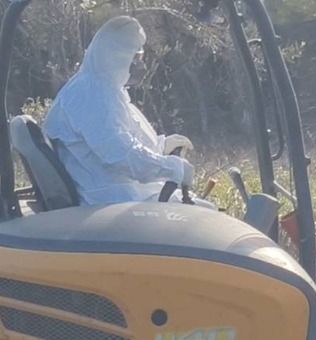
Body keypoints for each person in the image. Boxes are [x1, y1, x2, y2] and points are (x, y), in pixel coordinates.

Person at [43, 16, 200, 205]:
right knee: (210, 219)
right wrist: (173, 168)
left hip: (126, 196)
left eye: (140, 57)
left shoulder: (104, 89)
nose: (139, 65)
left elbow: (123, 140)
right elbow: (119, 155)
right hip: (113, 203)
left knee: (207, 211)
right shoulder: (91, 94)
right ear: (115, 56)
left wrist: (162, 147)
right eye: (134, 57)